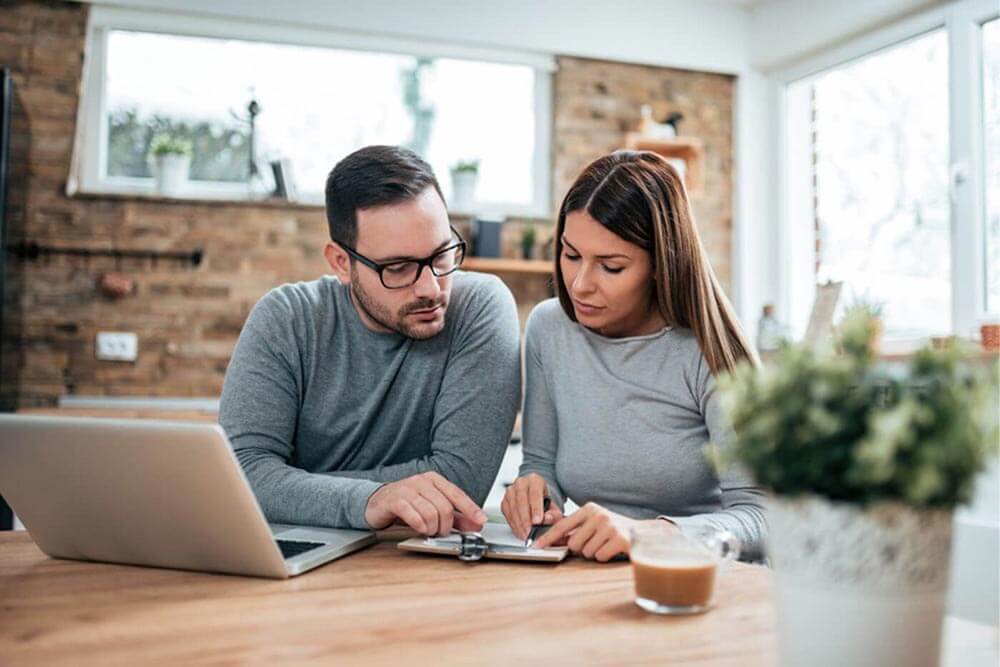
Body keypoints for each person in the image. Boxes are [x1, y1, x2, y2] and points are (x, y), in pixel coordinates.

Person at [220, 145, 521, 537]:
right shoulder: (287, 319)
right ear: (342, 263)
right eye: (398, 268)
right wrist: (371, 499)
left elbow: (460, 483)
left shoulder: (480, 308)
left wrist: (296, 488)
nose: (431, 288)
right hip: (295, 555)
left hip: (417, 563)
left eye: (442, 255)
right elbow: (242, 475)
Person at [501, 150, 766, 562]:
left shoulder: (711, 350)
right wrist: (535, 493)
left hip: (699, 582)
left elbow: (763, 517)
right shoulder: (548, 329)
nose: (579, 285)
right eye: (571, 256)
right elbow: (540, 464)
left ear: (662, 264)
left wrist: (648, 534)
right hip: (598, 578)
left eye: (611, 266)